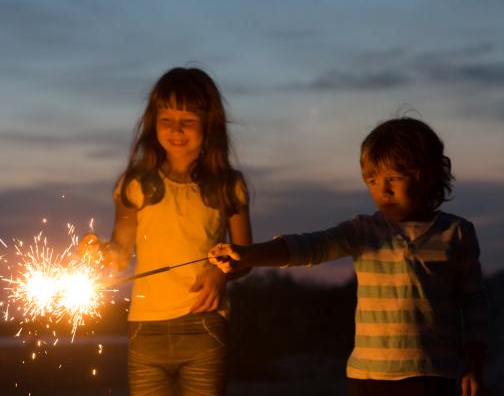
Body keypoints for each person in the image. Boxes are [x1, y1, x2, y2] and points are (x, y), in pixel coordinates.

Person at [209, 117, 488, 396]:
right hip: (368, 375)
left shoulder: (456, 233)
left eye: (394, 178)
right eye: (373, 180)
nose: (383, 189)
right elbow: (310, 246)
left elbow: (473, 304)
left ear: (426, 175)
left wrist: (474, 365)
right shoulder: (363, 231)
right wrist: (247, 254)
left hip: (432, 374)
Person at [79, 67, 252, 396]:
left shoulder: (228, 186)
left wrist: (221, 274)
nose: (176, 130)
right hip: (145, 331)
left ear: (209, 123)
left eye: (187, 120)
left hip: (204, 326)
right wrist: (97, 251)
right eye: (166, 119)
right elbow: (118, 257)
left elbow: (246, 256)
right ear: (152, 122)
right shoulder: (136, 184)